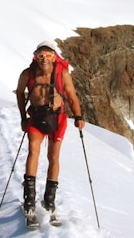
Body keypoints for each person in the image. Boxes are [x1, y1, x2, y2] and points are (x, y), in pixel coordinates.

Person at [15, 40, 84, 221]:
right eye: (40, 56)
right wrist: (23, 118)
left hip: (57, 118)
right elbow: (20, 93)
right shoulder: (27, 74)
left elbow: (71, 96)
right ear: (36, 57)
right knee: (33, 152)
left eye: (48, 55)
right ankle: (29, 201)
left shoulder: (62, 74)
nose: (44, 59)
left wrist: (79, 116)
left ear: (55, 57)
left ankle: (49, 201)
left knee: (53, 158)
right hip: (36, 118)